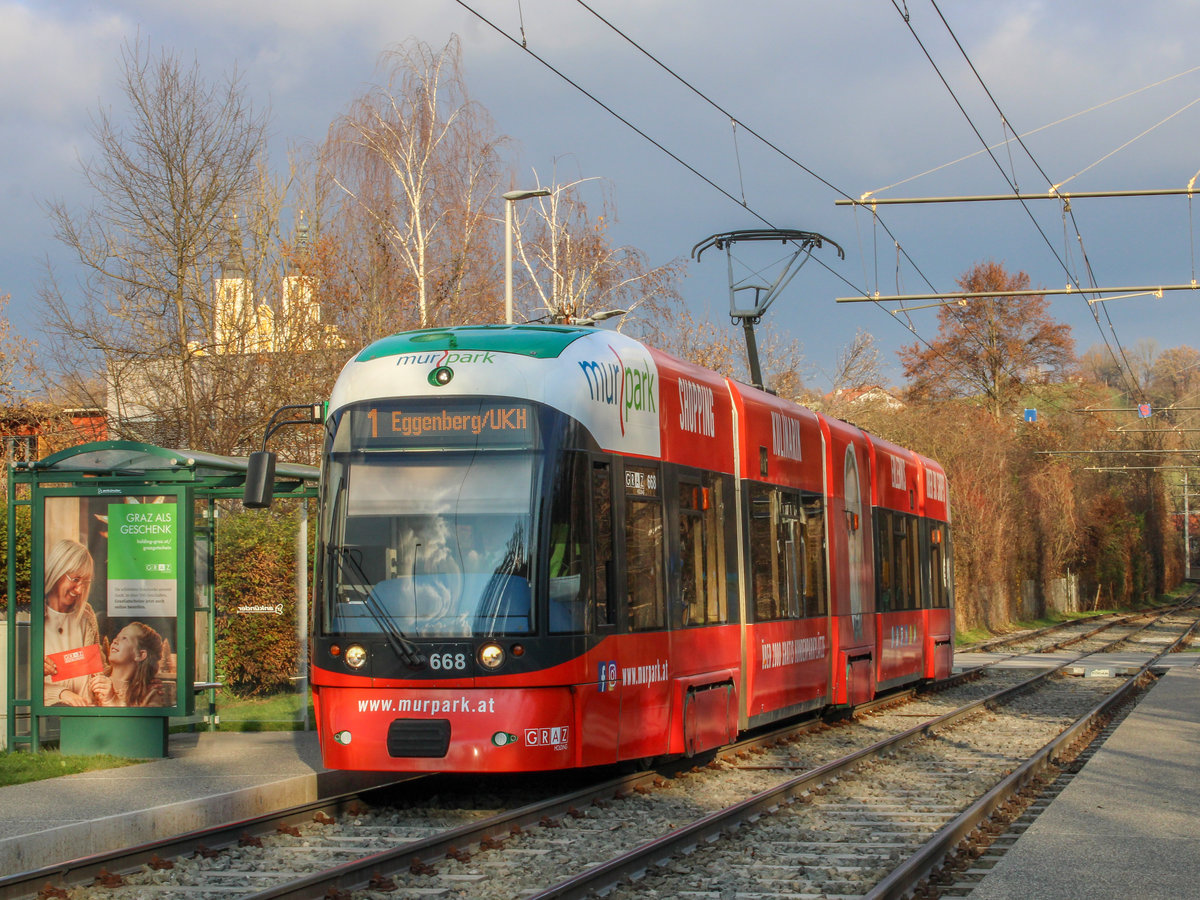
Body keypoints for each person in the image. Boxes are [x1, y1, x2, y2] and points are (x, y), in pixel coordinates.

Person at [42, 539, 101, 707]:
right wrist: (61, 693)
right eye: (75, 579)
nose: (80, 590)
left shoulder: (86, 615)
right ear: (57, 571)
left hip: (85, 717)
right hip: (49, 720)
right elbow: (21, 680)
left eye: (86, 583)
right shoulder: (33, 616)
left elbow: (98, 669)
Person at [90, 622, 166, 707]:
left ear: (140, 655)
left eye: (124, 638)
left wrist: (113, 701)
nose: (115, 641)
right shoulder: (94, 678)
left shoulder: (151, 694)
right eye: (116, 637)